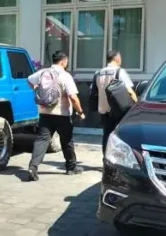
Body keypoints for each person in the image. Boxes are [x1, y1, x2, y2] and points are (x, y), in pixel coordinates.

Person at [27, 50, 85, 181]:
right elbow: (73, 97)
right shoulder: (65, 76)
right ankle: (71, 168)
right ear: (63, 61)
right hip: (62, 114)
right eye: (66, 61)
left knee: (42, 140)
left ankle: (33, 167)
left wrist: (36, 88)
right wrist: (80, 112)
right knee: (67, 141)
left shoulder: (43, 72)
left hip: (45, 112)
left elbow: (29, 80)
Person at [93, 50, 137, 153]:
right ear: (117, 59)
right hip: (119, 110)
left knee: (107, 135)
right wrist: (136, 103)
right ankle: (116, 162)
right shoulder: (119, 72)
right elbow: (130, 91)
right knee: (119, 137)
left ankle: (106, 161)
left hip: (104, 110)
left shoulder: (99, 73)